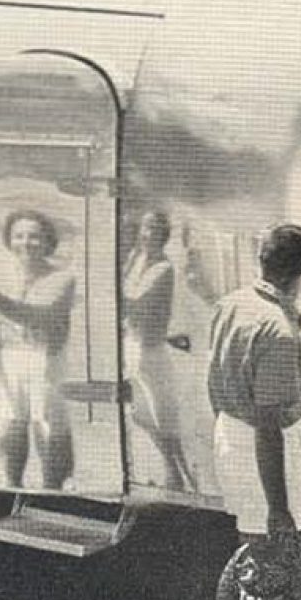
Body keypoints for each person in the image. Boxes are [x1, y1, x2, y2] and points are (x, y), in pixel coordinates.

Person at [200, 222, 301, 600]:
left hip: (231, 430)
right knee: (261, 568)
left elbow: (215, 378)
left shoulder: (231, 305)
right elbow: (269, 426)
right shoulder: (278, 332)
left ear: (262, 261)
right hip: (262, 445)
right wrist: (278, 507)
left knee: (249, 554)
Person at [0, 210, 77, 490]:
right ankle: (13, 488)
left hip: (45, 358)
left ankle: (53, 491)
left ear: (48, 242)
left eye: (34, 237)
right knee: (9, 426)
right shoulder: (1, 276)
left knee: (48, 426)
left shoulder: (62, 278)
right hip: (7, 357)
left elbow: (32, 315)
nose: (25, 243)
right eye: (18, 236)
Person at [123, 210, 194, 490]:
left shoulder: (163, 268)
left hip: (151, 351)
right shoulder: (137, 259)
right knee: (138, 414)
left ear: (163, 235)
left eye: (152, 229)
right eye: (144, 228)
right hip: (132, 345)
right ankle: (169, 472)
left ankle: (179, 476)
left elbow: (135, 303)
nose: (146, 234)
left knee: (162, 417)